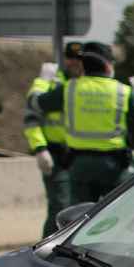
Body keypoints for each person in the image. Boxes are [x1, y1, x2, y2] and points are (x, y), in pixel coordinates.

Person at [29, 41, 134, 207]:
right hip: (114, 166)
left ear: (84, 64)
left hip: (79, 166)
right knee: (115, 214)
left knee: (79, 219)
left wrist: (41, 81)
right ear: (107, 64)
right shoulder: (122, 91)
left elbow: (35, 103)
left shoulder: (69, 89)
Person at [24, 41, 85, 237]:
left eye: (79, 59)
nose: (75, 63)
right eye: (71, 58)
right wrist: (40, 148)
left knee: (81, 208)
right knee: (60, 206)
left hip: (79, 155)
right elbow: (30, 119)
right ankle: (48, 251)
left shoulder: (87, 85)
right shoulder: (53, 84)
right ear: (65, 60)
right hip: (55, 154)